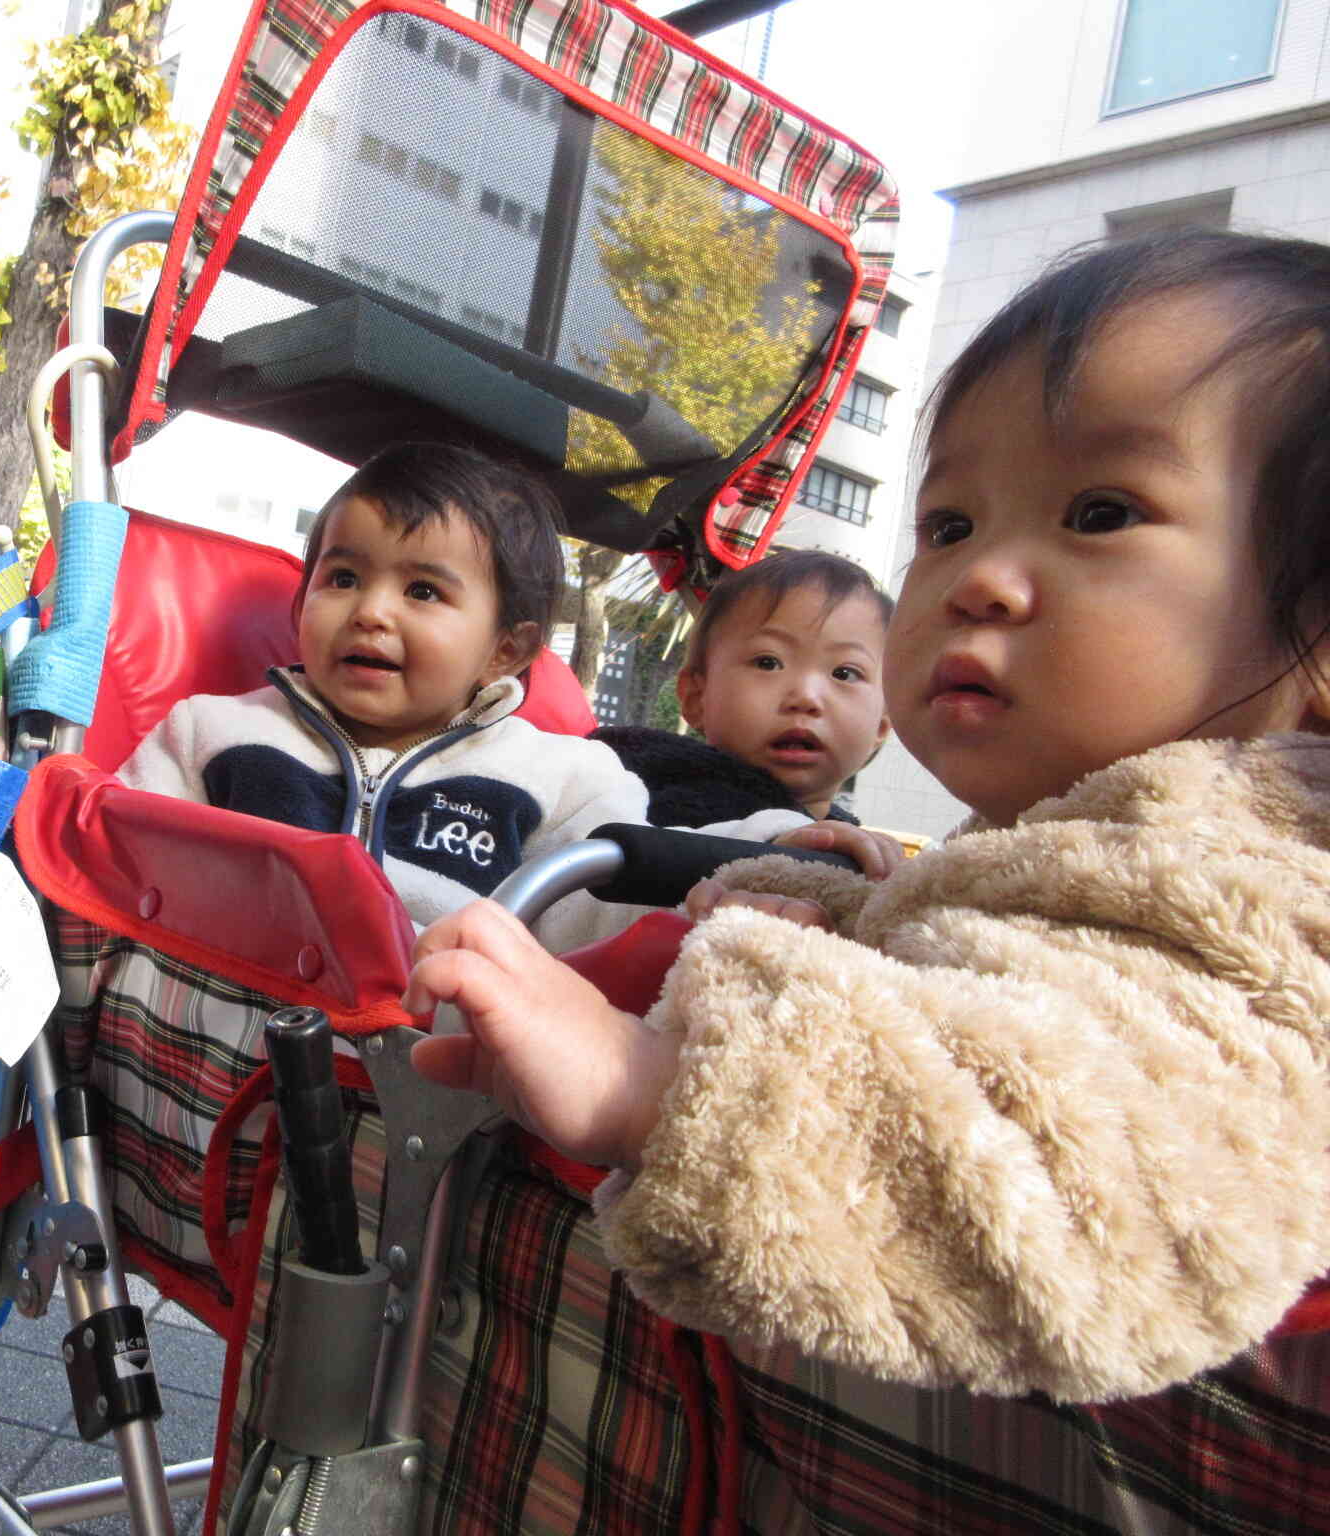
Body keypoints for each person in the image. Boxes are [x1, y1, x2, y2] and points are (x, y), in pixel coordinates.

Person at [403, 228, 1330, 1483]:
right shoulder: (1105, 841)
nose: (979, 578)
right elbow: (1036, 980)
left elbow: (1088, 1183)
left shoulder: (1257, 888)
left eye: (1098, 512)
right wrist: (839, 911)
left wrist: (657, 1094)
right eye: (947, 521)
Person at [119, 441, 894, 951]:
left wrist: (763, 854)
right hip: (205, 1041)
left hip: (422, 1071)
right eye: (342, 577)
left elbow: (615, 894)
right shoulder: (212, 734)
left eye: (423, 590)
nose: (371, 610)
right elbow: (105, 863)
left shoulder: (561, 777)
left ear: (506, 651)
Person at [591, 550, 899, 842]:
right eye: (768, 663)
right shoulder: (642, 806)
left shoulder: (857, 847)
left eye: (844, 673)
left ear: (882, 727)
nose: (806, 697)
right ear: (697, 698)